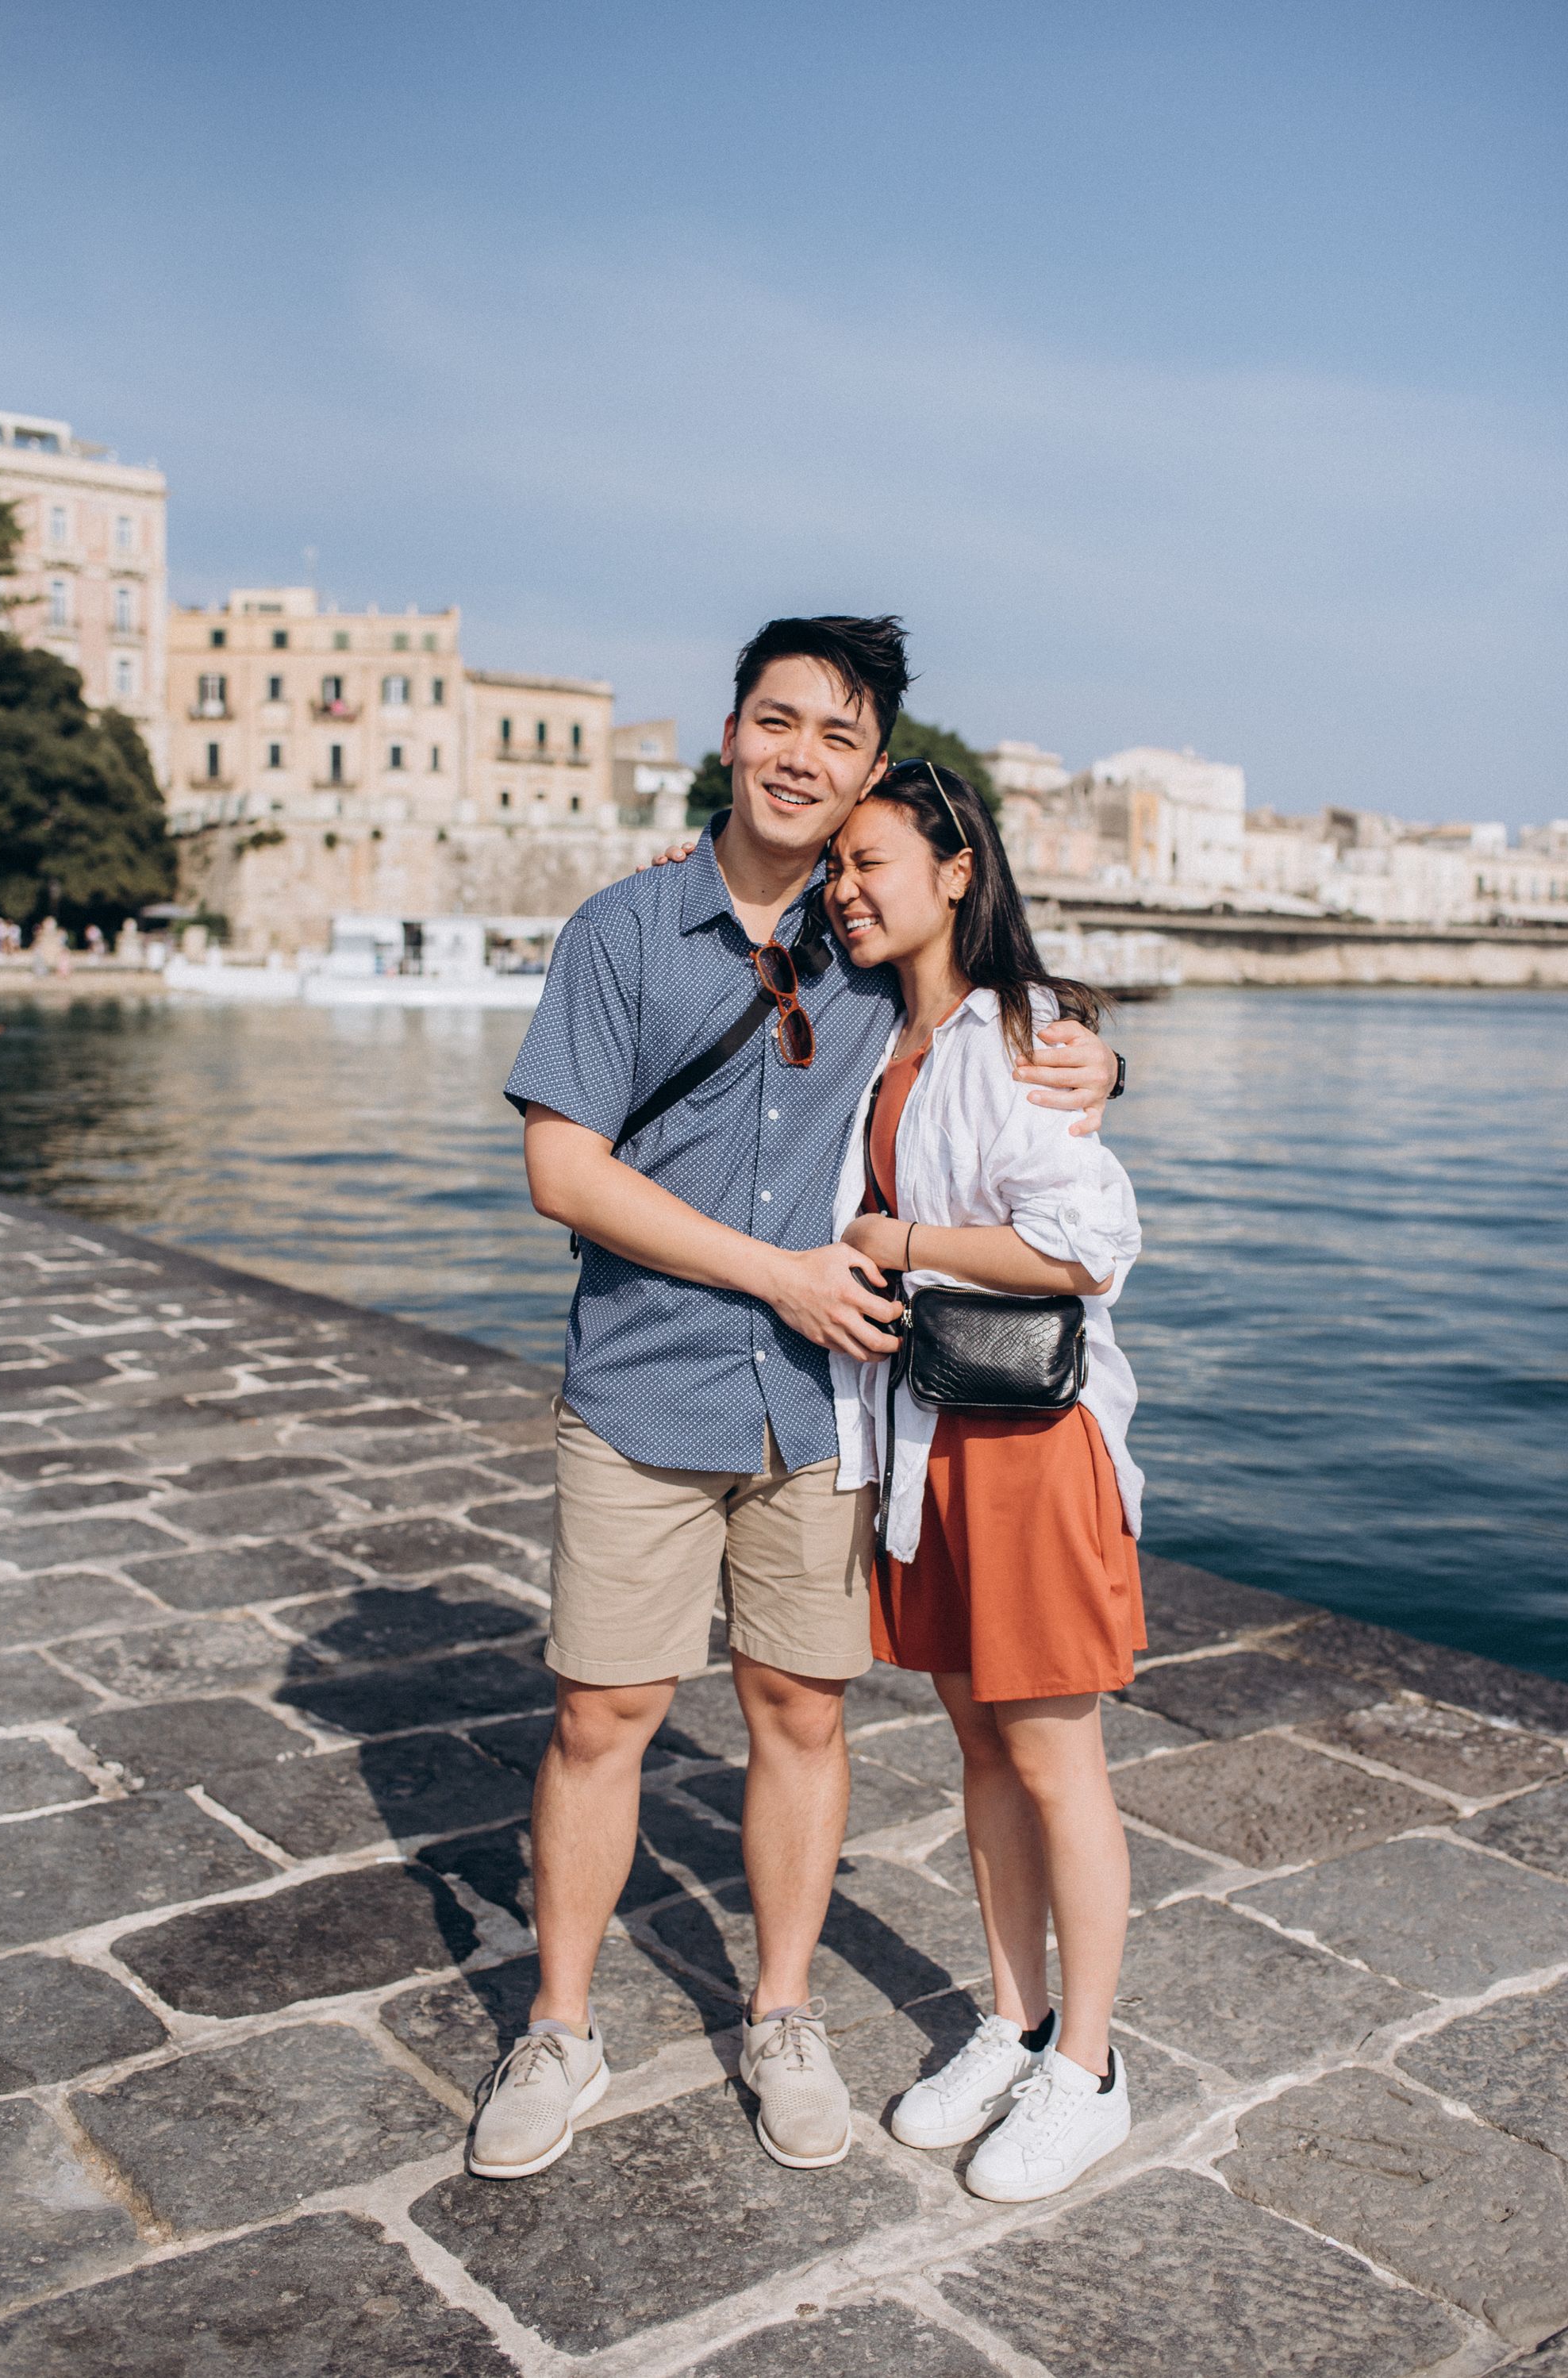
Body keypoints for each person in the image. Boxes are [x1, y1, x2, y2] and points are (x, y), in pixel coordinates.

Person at [477, 615, 1121, 2181]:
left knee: (799, 1715)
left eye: (838, 738)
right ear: (727, 733)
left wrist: (1090, 1058)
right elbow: (562, 1169)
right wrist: (771, 1273)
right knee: (602, 1713)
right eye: (779, 722)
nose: (802, 758)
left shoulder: (870, 937)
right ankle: (560, 2022)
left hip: (825, 1413)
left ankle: (779, 2011)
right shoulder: (623, 934)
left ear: (867, 773)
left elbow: (989, 1029)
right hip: (646, 1383)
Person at [825, 759, 1143, 2203]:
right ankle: (1013, 2024)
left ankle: (1091, 2067)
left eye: (870, 862)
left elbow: (1087, 1251)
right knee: (980, 1752)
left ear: (957, 869)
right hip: (928, 1448)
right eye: (836, 868)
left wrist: (900, 1245)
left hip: (1026, 1447)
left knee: (1056, 1761)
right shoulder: (877, 1035)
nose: (845, 890)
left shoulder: (1026, 1035)